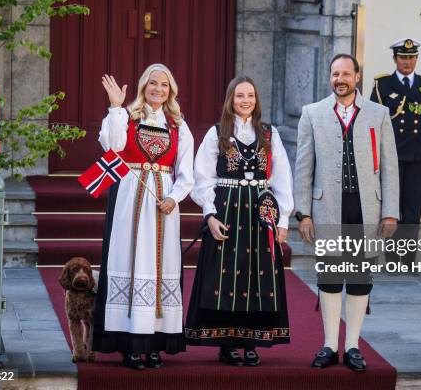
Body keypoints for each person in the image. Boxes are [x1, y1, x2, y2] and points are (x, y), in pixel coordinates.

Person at [294, 54, 399, 371]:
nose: (340, 79)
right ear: (330, 77)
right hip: (326, 209)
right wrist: (304, 213)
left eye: (346, 74)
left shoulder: (378, 114)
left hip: (366, 209)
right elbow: (303, 167)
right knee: (329, 277)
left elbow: (390, 168)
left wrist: (390, 212)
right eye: (334, 74)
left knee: (358, 279)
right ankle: (328, 346)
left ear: (357, 76)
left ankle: (352, 346)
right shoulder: (312, 114)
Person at [185, 76, 293, 367]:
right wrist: (209, 215)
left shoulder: (270, 135)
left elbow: (282, 177)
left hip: (260, 213)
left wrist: (282, 220)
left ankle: (252, 340)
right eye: (240, 95)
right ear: (230, 99)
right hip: (227, 211)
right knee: (226, 276)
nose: (246, 100)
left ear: (256, 100)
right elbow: (202, 178)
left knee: (257, 277)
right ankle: (227, 343)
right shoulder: (216, 133)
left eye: (251, 96)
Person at [92, 64, 195, 369]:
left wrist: (174, 198)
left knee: (160, 265)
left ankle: (154, 343)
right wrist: (114, 106)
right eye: (153, 83)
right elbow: (112, 146)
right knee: (128, 258)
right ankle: (130, 343)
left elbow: (186, 172)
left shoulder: (178, 125)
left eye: (164, 85)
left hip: (162, 201)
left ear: (171, 90)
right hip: (130, 196)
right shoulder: (127, 116)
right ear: (143, 86)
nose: (158, 89)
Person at [370, 38, 421, 266]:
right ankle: (393, 260)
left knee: (412, 211)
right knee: (392, 210)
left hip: (419, 158)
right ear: (395, 59)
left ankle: (408, 261)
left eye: (412, 57)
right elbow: (373, 124)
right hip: (390, 159)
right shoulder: (382, 86)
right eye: (403, 57)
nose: (407, 62)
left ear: (416, 59)